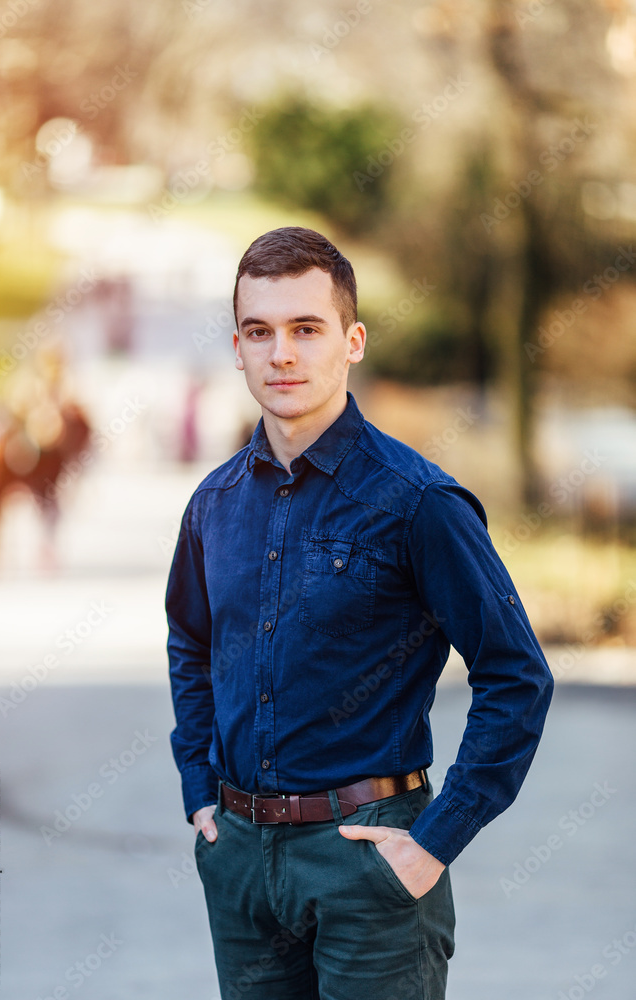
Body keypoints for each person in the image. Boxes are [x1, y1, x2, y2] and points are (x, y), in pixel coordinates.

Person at [166, 226, 554, 1000]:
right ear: (237, 347)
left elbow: (516, 677)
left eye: (305, 329)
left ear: (352, 341)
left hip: (371, 862)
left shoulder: (416, 503)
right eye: (259, 331)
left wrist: (432, 843)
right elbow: (191, 644)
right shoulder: (211, 505)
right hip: (239, 862)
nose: (281, 353)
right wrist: (200, 796)